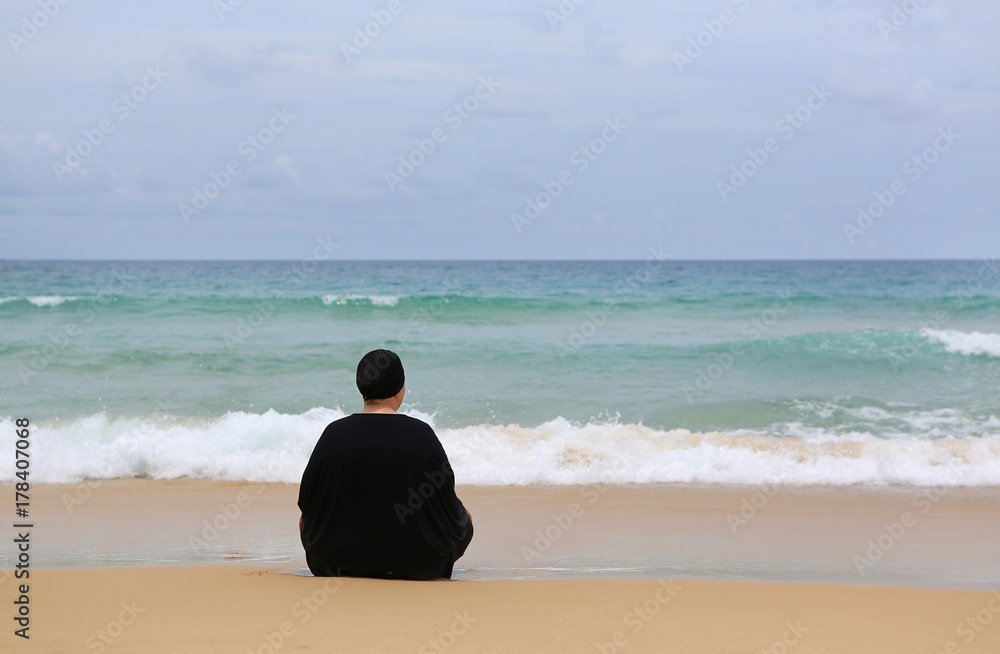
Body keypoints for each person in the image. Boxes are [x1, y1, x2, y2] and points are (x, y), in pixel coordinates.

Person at [297, 349, 474, 580]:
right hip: (420, 565)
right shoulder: (422, 434)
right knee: (465, 517)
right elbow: (449, 507)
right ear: (401, 388)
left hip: (332, 563)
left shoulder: (333, 434)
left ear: (360, 387)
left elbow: (306, 506)